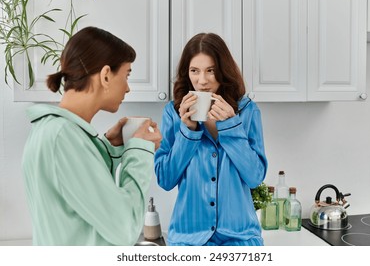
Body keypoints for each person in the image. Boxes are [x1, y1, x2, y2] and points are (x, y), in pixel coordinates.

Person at [22, 26, 162, 246]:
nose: (127, 88)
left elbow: (82, 200)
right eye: (126, 75)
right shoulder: (63, 137)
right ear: (106, 75)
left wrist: (108, 148)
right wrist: (140, 152)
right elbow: (125, 227)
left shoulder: (57, 131)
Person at [154, 32, 268, 246]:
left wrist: (230, 126)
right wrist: (187, 131)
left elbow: (255, 177)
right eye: (194, 71)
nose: (202, 81)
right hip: (189, 241)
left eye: (211, 71)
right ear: (186, 73)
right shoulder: (173, 113)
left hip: (240, 240)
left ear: (223, 71)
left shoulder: (247, 111)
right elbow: (166, 179)